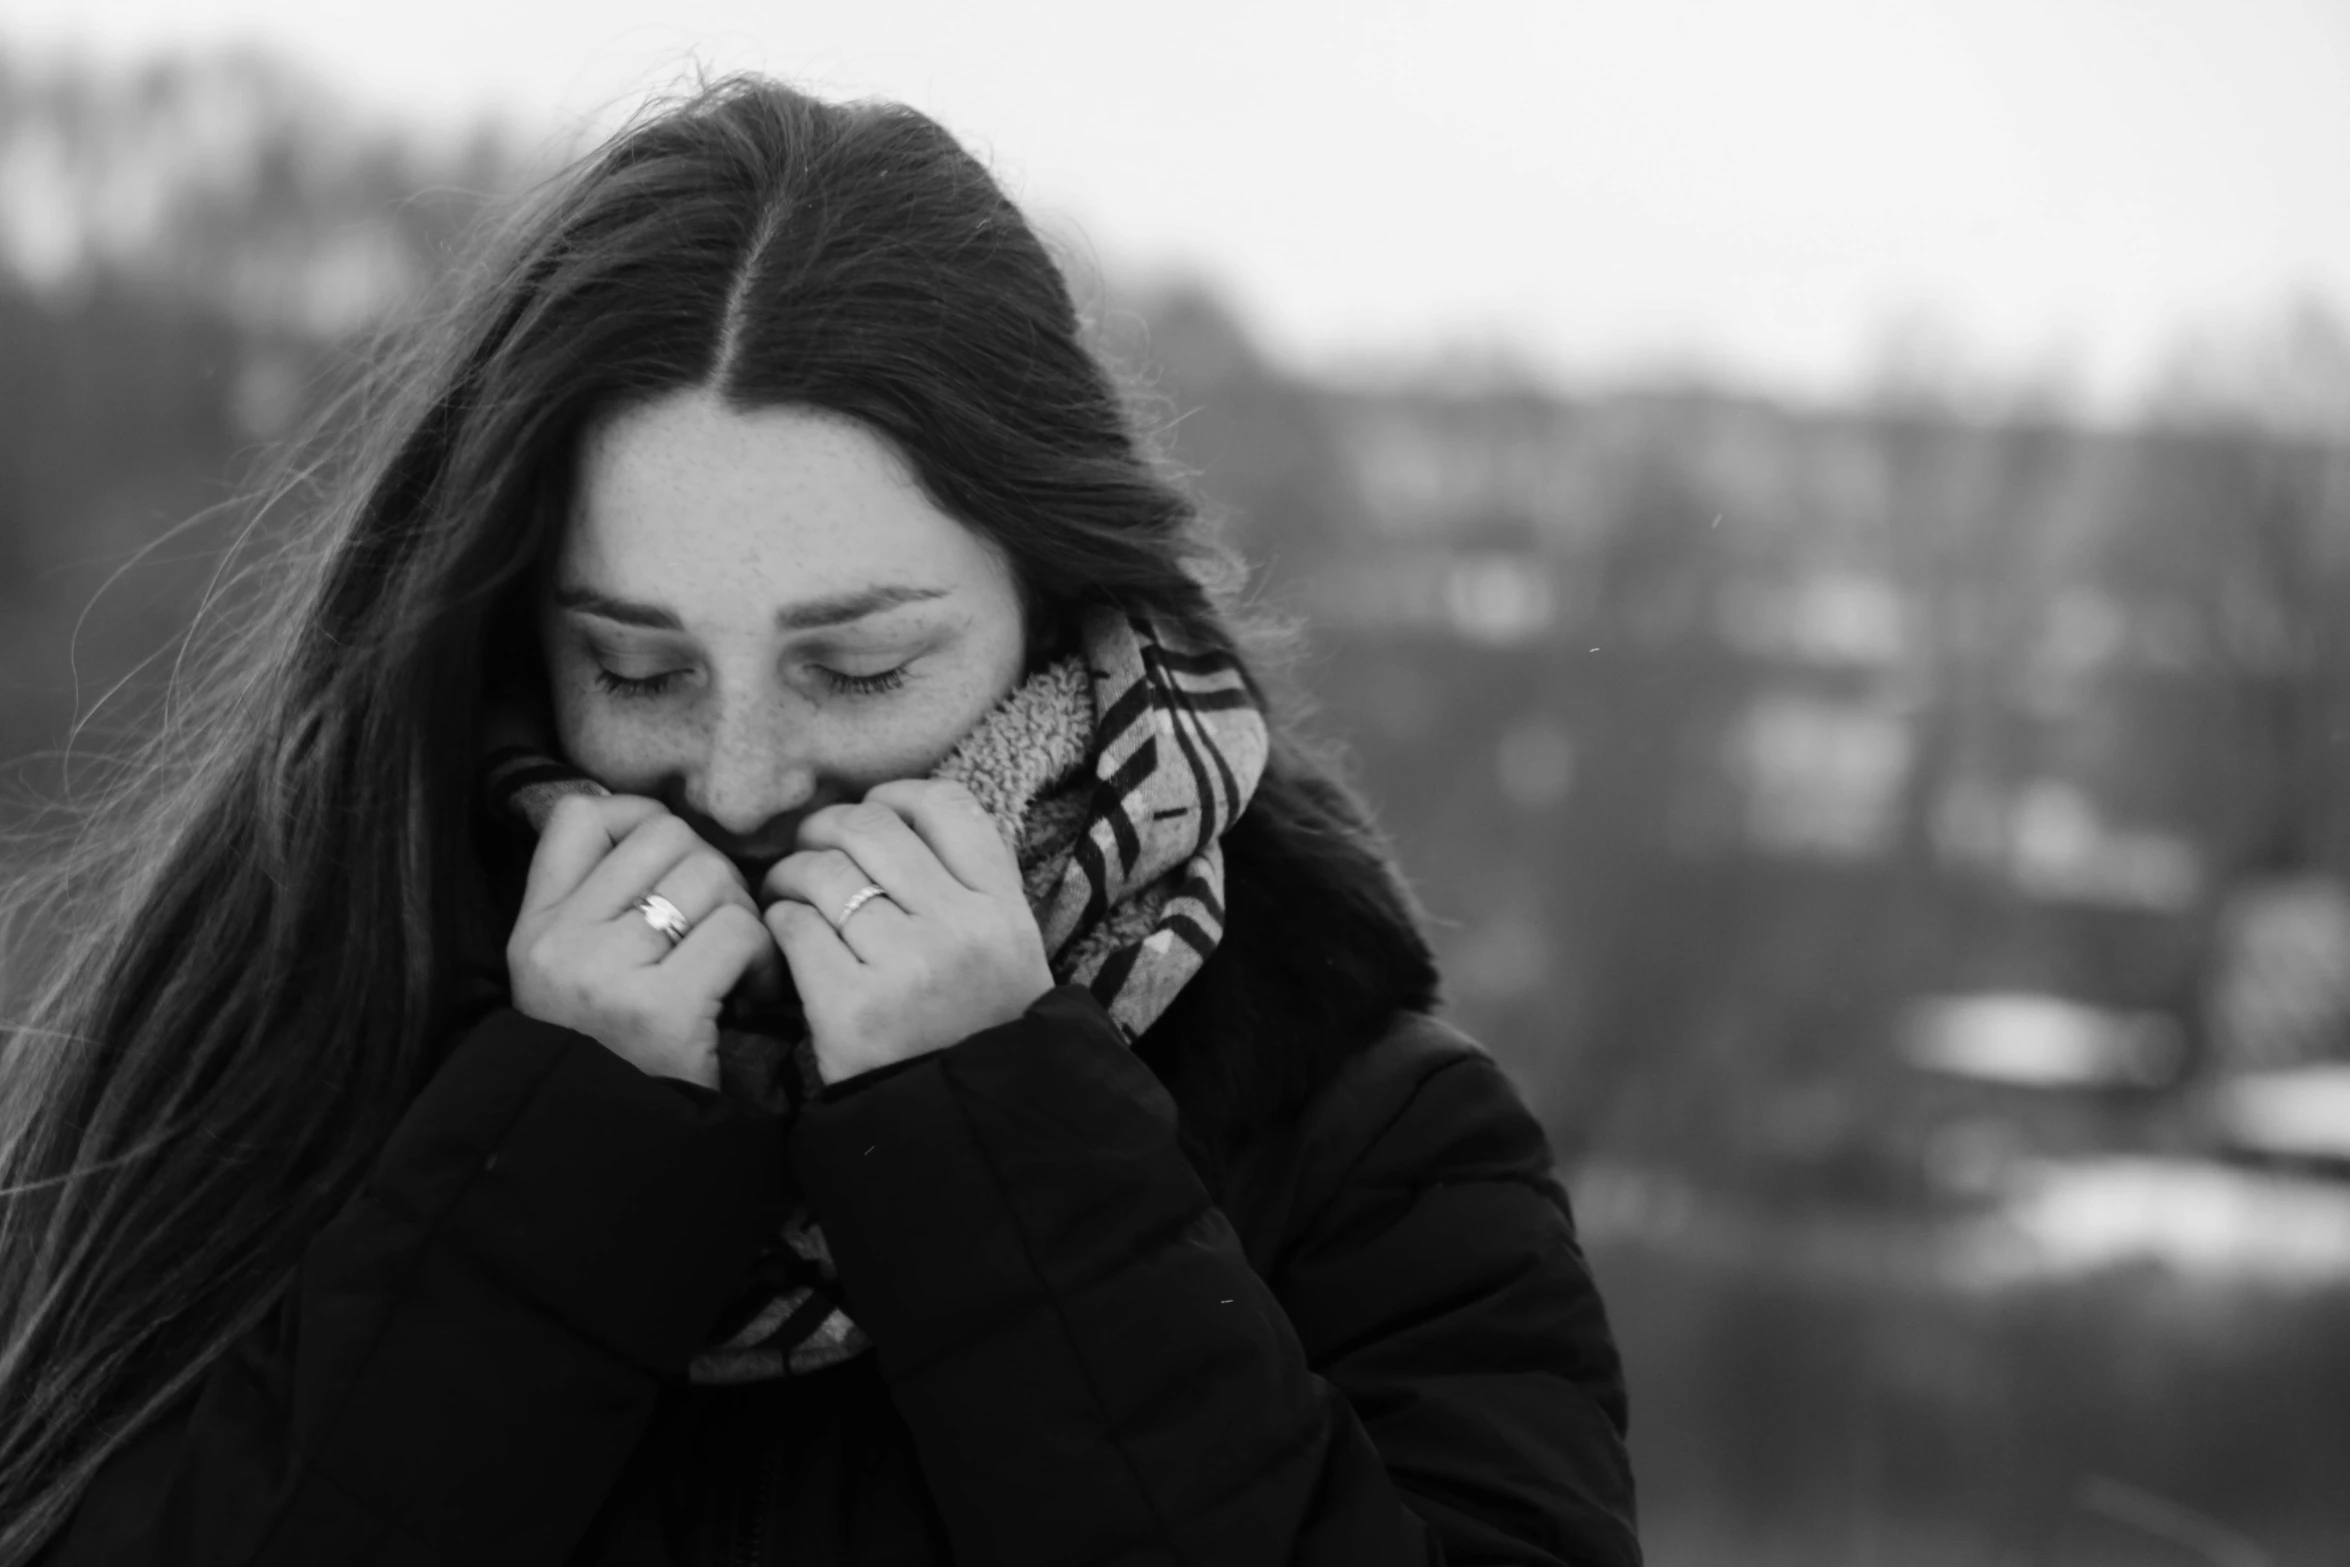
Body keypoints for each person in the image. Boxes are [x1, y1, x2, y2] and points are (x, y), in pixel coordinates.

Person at [0, 77, 1639, 1566]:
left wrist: (1002, 1145)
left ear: (1063, 609)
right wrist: (541, 1167)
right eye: (636, 670)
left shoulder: (1370, 1147)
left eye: (855, 669)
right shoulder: (287, 1037)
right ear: (511, 638)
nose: (738, 779)